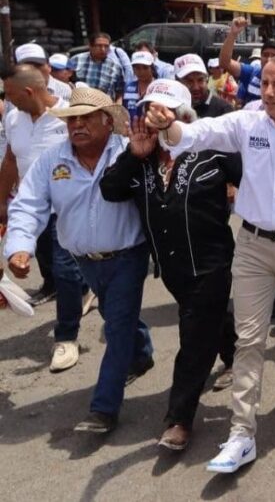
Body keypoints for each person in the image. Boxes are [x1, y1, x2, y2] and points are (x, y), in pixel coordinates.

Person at [147, 53, 275, 474]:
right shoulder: (246, 123)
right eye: (267, 85)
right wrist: (169, 123)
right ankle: (242, 434)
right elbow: (196, 133)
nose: (270, 92)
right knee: (248, 339)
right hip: (254, 247)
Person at [100, 79, 240, 452]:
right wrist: (134, 154)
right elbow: (109, 190)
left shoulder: (212, 150)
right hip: (172, 270)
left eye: (164, 110)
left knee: (193, 336)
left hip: (213, 263)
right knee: (207, 319)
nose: (155, 116)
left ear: (182, 115)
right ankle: (234, 352)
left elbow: (254, 178)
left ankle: (179, 418)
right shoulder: (139, 156)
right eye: (150, 108)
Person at [5, 87, 153, 433]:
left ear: (107, 122)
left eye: (87, 118)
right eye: (73, 119)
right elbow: (29, 204)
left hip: (129, 255)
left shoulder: (128, 153)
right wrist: (19, 248)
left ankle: (103, 408)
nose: (78, 125)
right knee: (117, 315)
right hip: (83, 259)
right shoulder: (53, 160)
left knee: (116, 325)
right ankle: (142, 353)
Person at [0, 65, 86, 369]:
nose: (6, 99)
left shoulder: (70, 117)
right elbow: (11, 159)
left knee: (64, 270)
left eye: (9, 94)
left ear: (28, 92)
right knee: (54, 267)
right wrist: (2, 203)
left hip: (66, 209)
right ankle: (84, 287)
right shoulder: (13, 118)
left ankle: (66, 338)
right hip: (31, 210)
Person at [218, 18, 275, 105]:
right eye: (265, 55)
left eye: (274, 56)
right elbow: (224, 63)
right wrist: (233, 34)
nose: (268, 59)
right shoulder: (252, 72)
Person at [68, 33, 125, 101]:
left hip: (104, 107)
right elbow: (65, 81)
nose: (103, 49)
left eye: (106, 46)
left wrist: (116, 109)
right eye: (99, 46)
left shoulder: (116, 67)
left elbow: (119, 93)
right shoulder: (76, 60)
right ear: (90, 46)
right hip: (79, 106)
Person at [175, 54, 233, 118]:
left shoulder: (223, 110)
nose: (196, 87)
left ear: (206, 79)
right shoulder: (170, 109)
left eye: (200, 80)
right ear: (178, 82)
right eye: (189, 81)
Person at [123, 51, 157, 119]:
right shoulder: (128, 87)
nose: (142, 72)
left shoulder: (159, 87)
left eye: (145, 67)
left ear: (152, 68)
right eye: (137, 68)